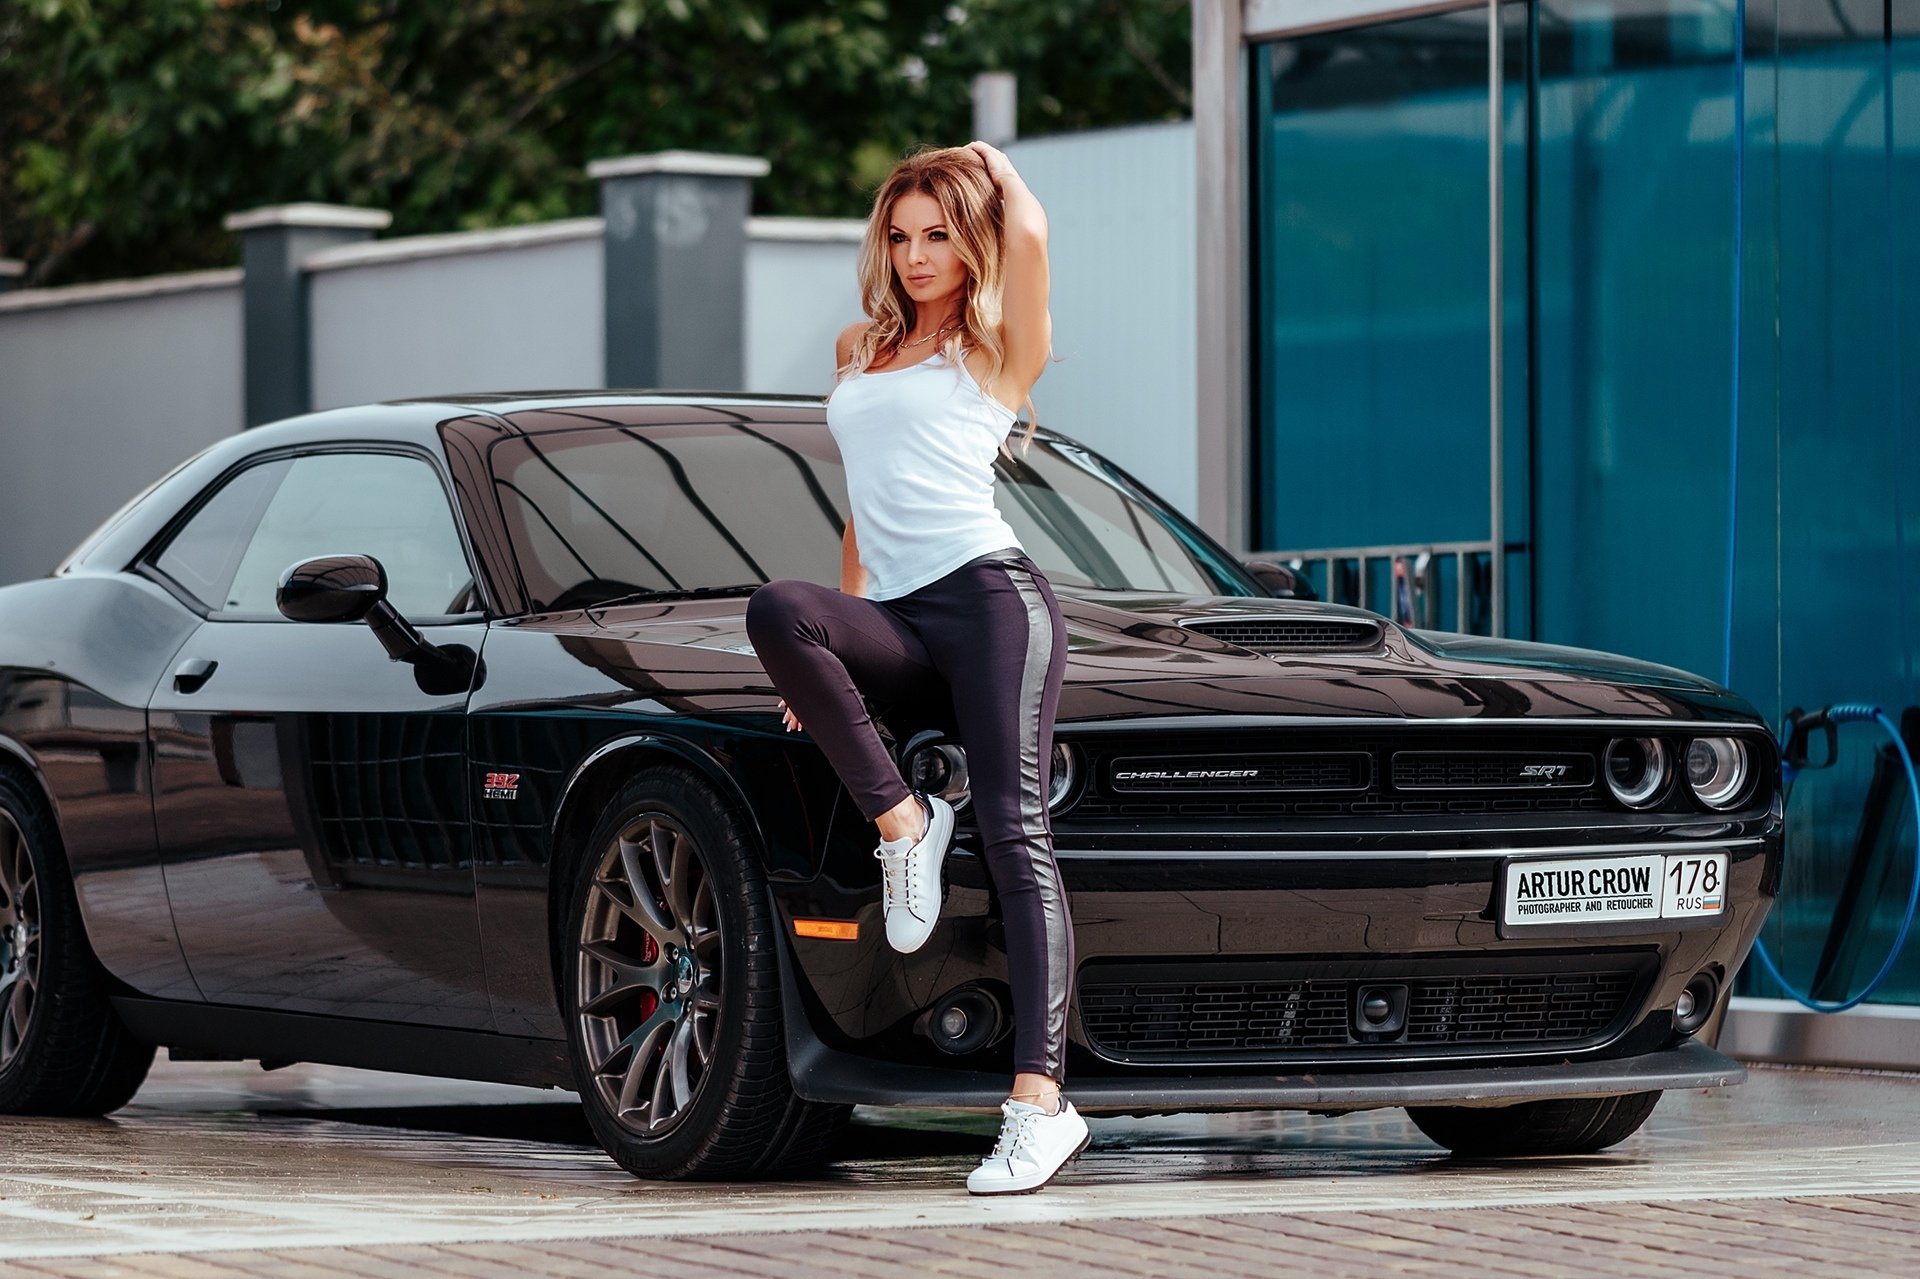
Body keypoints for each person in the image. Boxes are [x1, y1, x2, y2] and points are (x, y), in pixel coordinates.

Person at [744, 141, 1085, 1195]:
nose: (917, 254)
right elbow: (863, 508)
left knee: (1017, 834)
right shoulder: (861, 346)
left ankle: (1040, 1105)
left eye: (939, 234)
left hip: (990, 604)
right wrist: (833, 654)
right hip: (896, 614)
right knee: (780, 609)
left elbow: (1031, 236)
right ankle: (906, 825)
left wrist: (996, 170)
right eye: (900, 236)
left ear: (971, 240)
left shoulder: (997, 348)